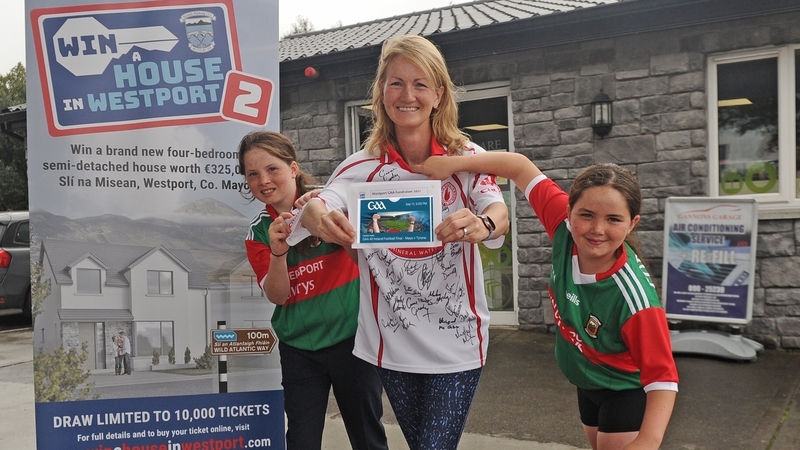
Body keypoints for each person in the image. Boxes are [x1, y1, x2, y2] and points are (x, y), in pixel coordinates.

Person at [299, 35, 509, 450]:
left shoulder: (465, 156)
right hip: (391, 343)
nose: (407, 95)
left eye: (420, 84)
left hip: (457, 339)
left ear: (438, 94)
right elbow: (318, 206)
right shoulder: (360, 166)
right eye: (396, 83)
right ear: (381, 91)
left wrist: (482, 224)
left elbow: (498, 212)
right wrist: (317, 216)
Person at [413, 152, 679, 450]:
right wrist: (453, 164)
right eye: (586, 215)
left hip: (622, 389)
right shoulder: (564, 228)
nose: (597, 229)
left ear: (632, 224)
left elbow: (663, 378)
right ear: (568, 211)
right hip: (586, 380)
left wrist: (647, 440)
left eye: (614, 219)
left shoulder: (636, 300)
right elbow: (519, 167)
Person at [238, 130, 388, 450]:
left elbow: (366, 261)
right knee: (301, 441)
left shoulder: (331, 201)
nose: (264, 180)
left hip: (353, 341)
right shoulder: (258, 232)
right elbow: (278, 296)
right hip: (300, 350)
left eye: (272, 169)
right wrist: (278, 253)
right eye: (253, 174)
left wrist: (328, 222)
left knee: (368, 438)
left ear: (293, 168)